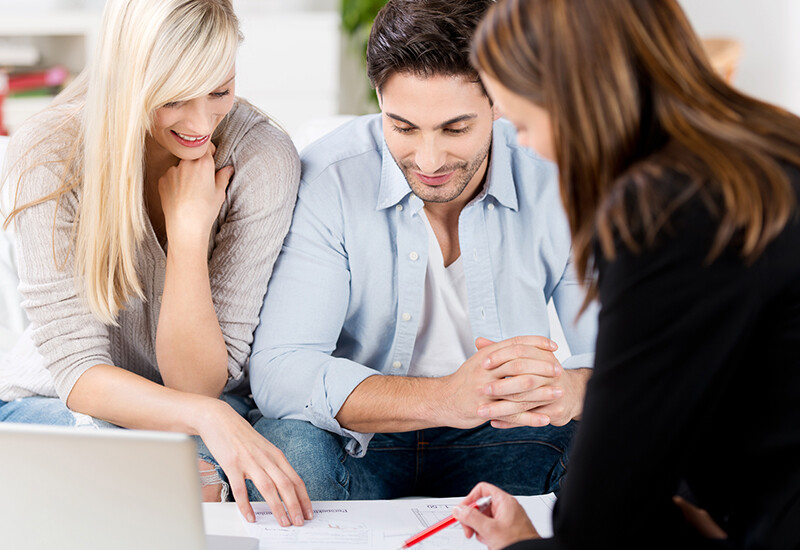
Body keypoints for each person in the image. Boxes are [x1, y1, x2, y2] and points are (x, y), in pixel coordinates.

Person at [453, 0, 800, 548]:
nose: (525, 146)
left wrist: (526, 546)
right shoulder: (774, 147)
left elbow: (601, 522)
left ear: (573, 99)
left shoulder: (664, 209)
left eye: (522, 123)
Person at [248, 0, 598, 501]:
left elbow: (622, 356)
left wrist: (570, 389)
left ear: (500, 100)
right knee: (287, 455)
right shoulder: (330, 178)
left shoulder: (554, 178)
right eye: (404, 128)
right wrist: (444, 399)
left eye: (456, 129)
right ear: (378, 98)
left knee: (621, 443)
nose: (429, 160)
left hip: (508, 437)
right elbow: (281, 371)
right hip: (359, 439)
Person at [0, 0, 312, 527]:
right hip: (63, 406)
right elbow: (80, 374)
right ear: (130, 81)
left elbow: (197, 384)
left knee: (273, 471)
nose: (199, 123)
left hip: (196, 412)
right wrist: (207, 416)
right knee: (158, 473)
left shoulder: (261, 158)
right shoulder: (50, 153)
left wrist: (188, 237)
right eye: (172, 99)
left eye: (219, 90)